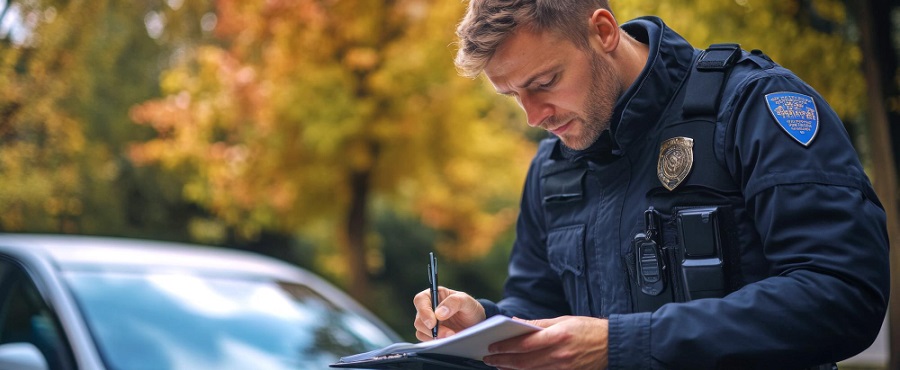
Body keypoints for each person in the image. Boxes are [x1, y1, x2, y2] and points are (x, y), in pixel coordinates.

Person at [412, 0, 891, 369]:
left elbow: (842, 293)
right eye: (512, 95)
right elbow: (539, 309)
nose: (534, 116)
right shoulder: (551, 168)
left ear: (602, 31)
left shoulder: (752, 107)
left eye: (545, 81)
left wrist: (619, 345)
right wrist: (485, 325)